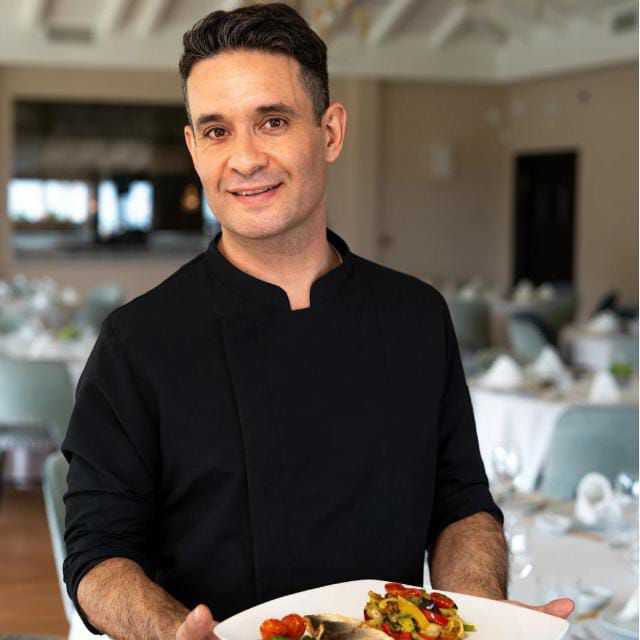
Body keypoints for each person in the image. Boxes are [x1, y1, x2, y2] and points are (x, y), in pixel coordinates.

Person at [61, 4, 573, 639]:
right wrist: (174, 631)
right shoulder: (136, 341)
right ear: (194, 149)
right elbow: (97, 553)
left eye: (272, 122)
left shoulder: (416, 316)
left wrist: (479, 617)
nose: (245, 159)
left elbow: (461, 505)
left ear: (330, 132)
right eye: (217, 131)